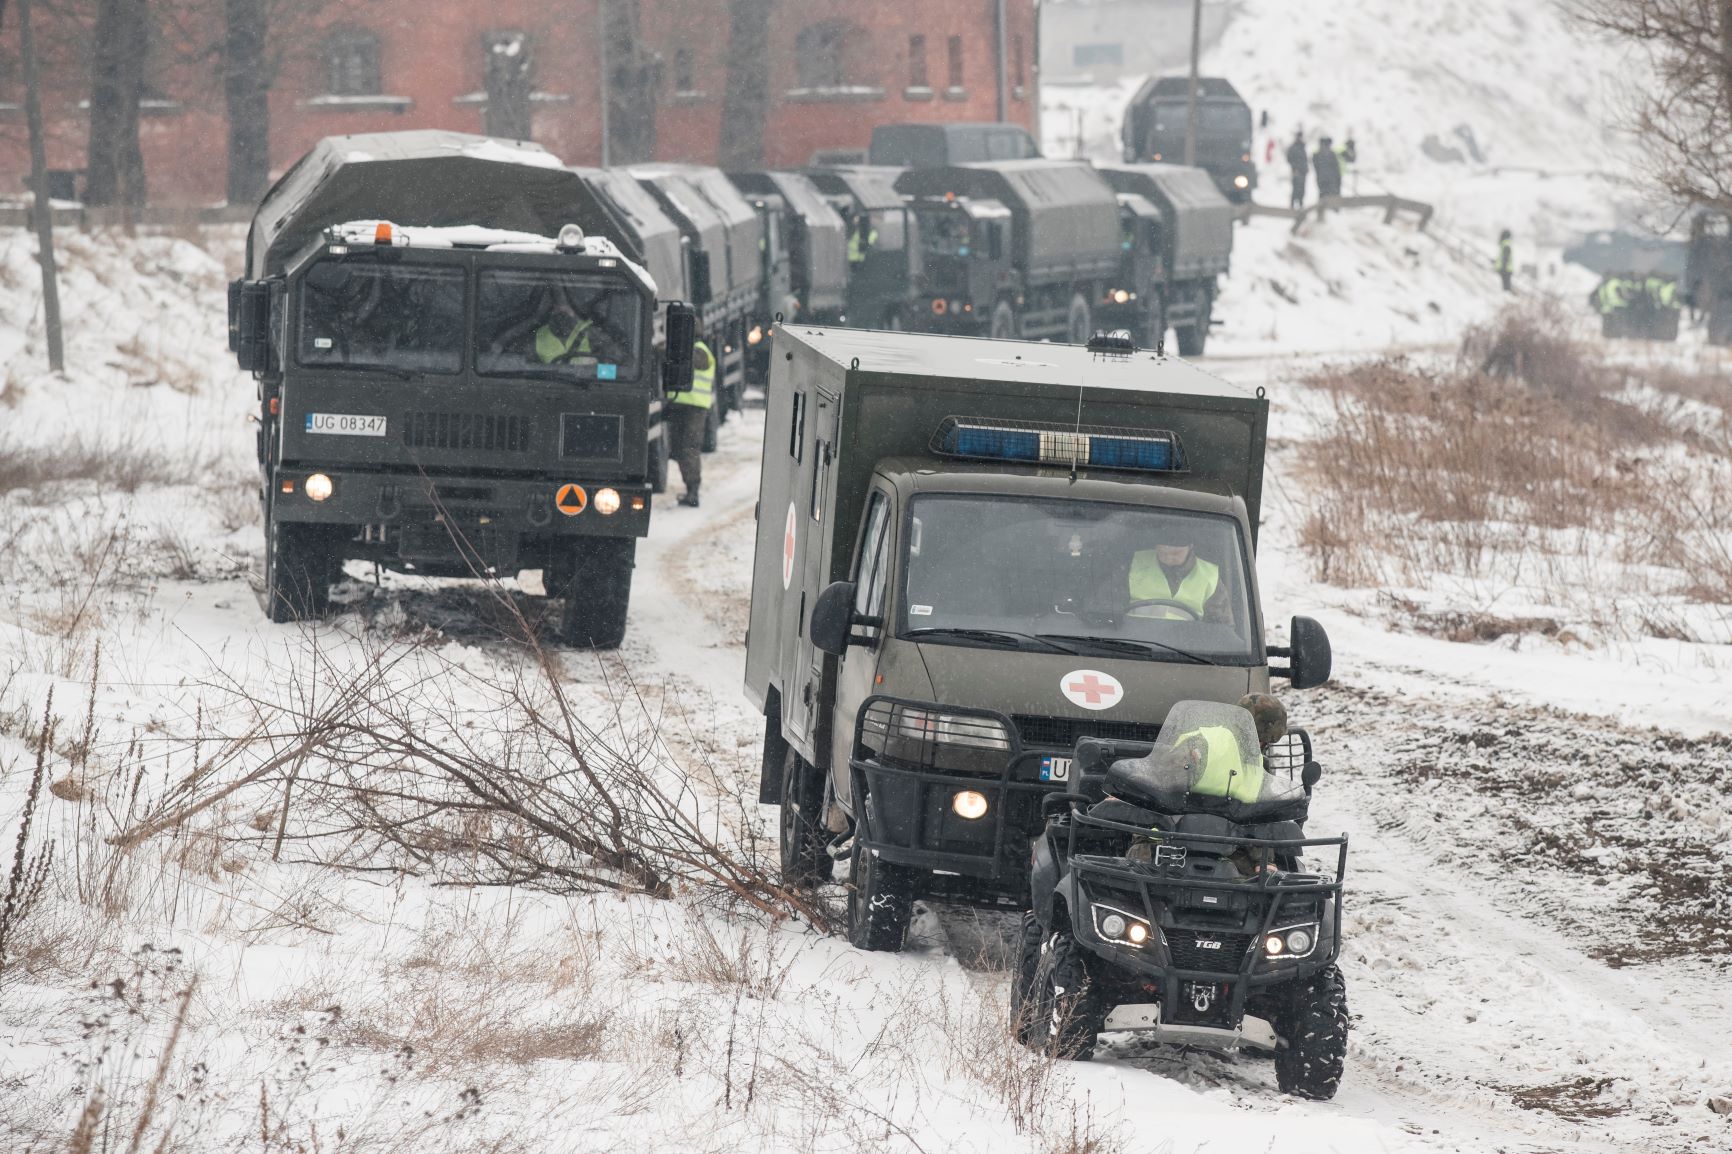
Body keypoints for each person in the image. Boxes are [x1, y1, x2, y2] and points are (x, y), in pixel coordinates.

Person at [1127, 532, 1230, 622]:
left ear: (1190, 547)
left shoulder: (1210, 576)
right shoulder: (1134, 563)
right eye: (1162, 552)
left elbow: (1220, 627)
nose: (1168, 557)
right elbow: (1114, 608)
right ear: (1156, 547)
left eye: (1176, 553)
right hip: (1136, 639)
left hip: (1184, 642)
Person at [666, 339, 715, 507]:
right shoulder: (693, 349)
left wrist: (668, 348)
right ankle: (690, 490)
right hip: (682, 405)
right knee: (681, 449)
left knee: (689, 447)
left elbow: (692, 360)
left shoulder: (701, 351)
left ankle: (693, 491)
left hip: (695, 408)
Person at [1285, 130, 1310, 210]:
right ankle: (1292, 205)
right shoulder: (1293, 147)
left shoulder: (1302, 147)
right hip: (1296, 171)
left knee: (1301, 189)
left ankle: (1300, 204)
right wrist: (1295, 167)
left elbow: (1304, 160)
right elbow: (1289, 159)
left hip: (1303, 171)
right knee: (1296, 188)